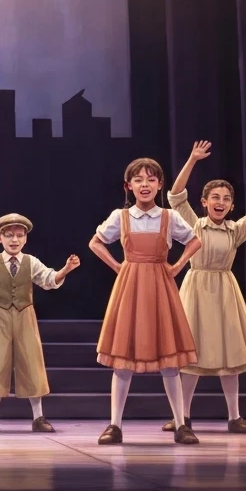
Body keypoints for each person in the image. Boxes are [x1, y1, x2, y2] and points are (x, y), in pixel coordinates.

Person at [161, 142, 246, 433]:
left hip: (225, 291)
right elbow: (175, 196)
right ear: (204, 201)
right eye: (215, 197)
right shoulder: (194, 224)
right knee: (191, 357)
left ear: (231, 206)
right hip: (195, 290)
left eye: (226, 199)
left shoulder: (234, 231)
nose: (221, 202)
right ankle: (182, 417)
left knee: (230, 356)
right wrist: (192, 159)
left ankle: (234, 417)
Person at [88, 158, 202, 445]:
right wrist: (119, 267)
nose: (145, 185)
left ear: (160, 185)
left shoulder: (169, 216)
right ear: (129, 186)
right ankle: (114, 425)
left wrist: (178, 266)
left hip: (161, 285)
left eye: (151, 179)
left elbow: (195, 241)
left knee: (170, 359)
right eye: (138, 180)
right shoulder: (121, 216)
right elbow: (95, 242)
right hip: (130, 286)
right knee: (123, 359)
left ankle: (181, 424)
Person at [0, 213, 80, 433]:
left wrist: (65, 269)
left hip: (25, 314)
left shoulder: (31, 262)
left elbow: (49, 280)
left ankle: (38, 417)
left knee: (31, 361)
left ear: (25, 238)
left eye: (19, 235)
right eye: (9, 235)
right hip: (0, 315)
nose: (14, 240)